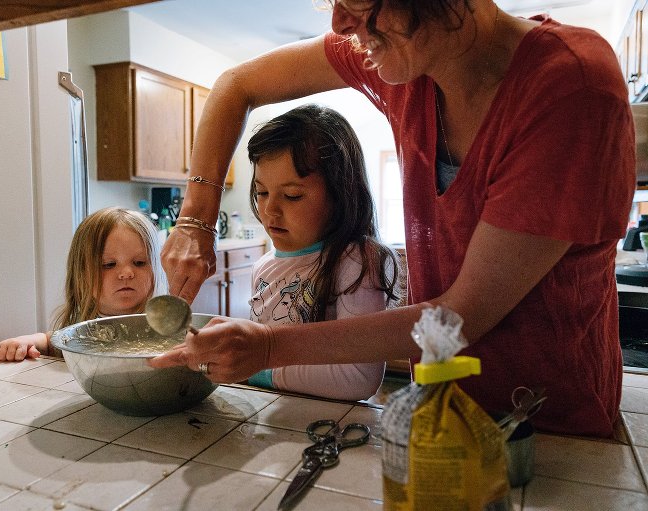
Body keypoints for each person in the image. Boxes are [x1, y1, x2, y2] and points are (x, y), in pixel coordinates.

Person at [153, 0, 635, 437]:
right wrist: (195, 219)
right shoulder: (405, 62)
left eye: (358, 2)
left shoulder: (571, 85)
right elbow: (235, 85)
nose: (341, 22)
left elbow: (458, 317)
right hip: (444, 405)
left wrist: (267, 349)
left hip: (547, 421)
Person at [242, 104, 405, 401]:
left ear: (340, 194)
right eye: (261, 192)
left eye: (292, 195)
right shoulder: (263, 266)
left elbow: (358, 377)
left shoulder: (357, 261)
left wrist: (255, 368)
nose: (269, 210)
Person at [0, 207, 168, 361]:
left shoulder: (167, 327)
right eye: (108, 265)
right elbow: (49, 342)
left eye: (139, 262)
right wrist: (26, 342)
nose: (126, 273)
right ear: (81, 274)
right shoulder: (81, 331)